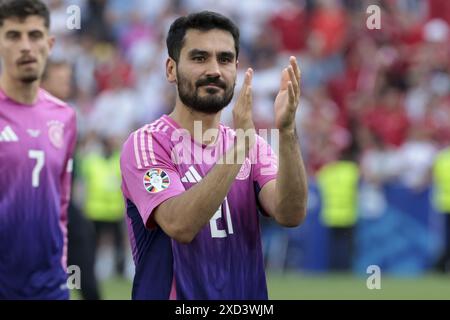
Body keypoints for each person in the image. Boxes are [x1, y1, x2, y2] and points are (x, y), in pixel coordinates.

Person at [120, 11, 308, 300]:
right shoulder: (148, 143)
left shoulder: (251, 145)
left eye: (224, 59)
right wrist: (239, 149)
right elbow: (179, 225)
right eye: (199, 58)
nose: (214, 70)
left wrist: (286, 131)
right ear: (171, 69)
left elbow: (291, 213)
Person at [0, 0, 77, 299]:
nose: (25, 46)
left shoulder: (64, 117)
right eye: (13, 36)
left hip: (50, 284)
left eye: (33, 35)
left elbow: (61, 202)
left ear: (49, 42)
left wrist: (60, 263)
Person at [41, 60, 100, 300]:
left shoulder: (67, 116)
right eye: (61, 78)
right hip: (42, 212)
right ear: (43, 82)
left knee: (86, 277)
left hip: (66, 211)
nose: (68, 83)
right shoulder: (37, 119)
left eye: (68, 78)